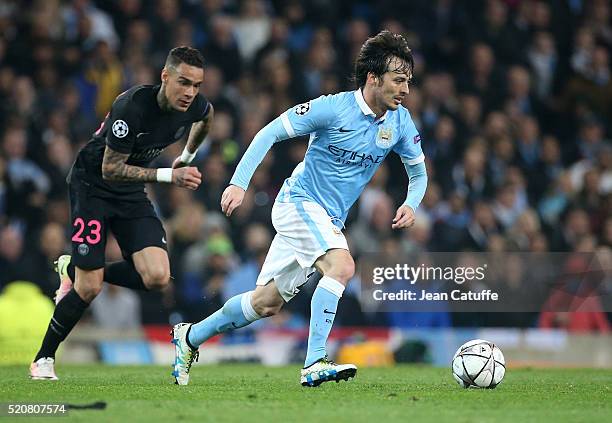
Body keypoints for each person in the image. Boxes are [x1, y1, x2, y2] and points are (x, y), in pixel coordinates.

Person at [171, 30, 427, 387]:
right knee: (341, 265)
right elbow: (269, 133)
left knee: (265, 304)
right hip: (299, 204)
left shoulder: (399, 122)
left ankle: (188, 338)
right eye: (398, 80)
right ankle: (314, 362)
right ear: (373, 78)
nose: (405, 89)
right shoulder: (331, 108)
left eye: (408, 82)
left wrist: (411, 204)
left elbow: (418, 172)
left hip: (328, 219)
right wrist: (238, 183)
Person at [30, 46, 215, 380]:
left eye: (197, 85)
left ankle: (74, 268)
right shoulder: (131, 107)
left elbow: (206, 116)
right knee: (89, 288)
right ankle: (43, 359)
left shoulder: (194, 105)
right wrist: (169, 175)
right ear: (165, 76)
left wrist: (186, 156)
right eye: (184, 82)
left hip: (129, 192)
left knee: (158, 277)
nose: (190, 92)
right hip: (92, 186)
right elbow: (111, 167)